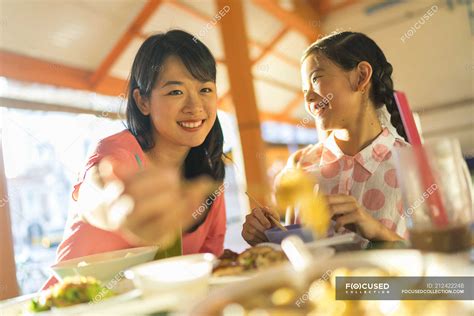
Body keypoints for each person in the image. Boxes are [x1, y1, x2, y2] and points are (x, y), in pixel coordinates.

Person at [42, 30, 227, 289]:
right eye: (176, 92)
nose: (195, 106)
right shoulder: (117, 151)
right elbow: (94, 194)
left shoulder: (209, 176)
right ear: (142, 101)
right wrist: (116, 208)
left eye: (205, 89)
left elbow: (209, 268)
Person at [242, 31, 409, 246]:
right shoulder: (299, 166)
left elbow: (442, 263)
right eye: (304, 90)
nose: (308, 97)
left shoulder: (414, 166)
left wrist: (377, 231)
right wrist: (267, 237)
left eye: (316, 78)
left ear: (361, 77)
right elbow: (291, 253)